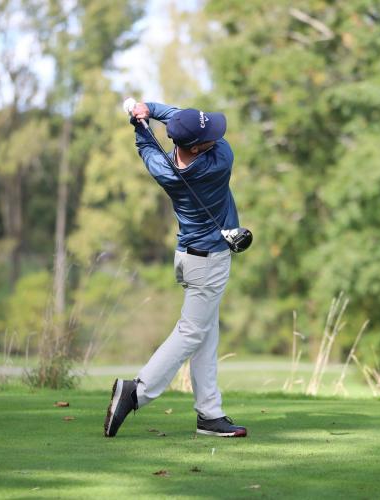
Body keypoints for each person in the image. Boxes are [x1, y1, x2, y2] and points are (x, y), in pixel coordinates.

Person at [104, 101, 247, 438]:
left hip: (186, 257)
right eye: (209, 135)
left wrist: (141, 116)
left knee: (206, 331)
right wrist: (152, 109)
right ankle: (136, 392)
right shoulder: (220, 160)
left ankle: (209, 414)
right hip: (209, 262)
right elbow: (177, 117)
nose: (217, 136)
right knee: (192, 332)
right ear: (198, 147)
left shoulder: (163, 168)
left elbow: (147, 140)